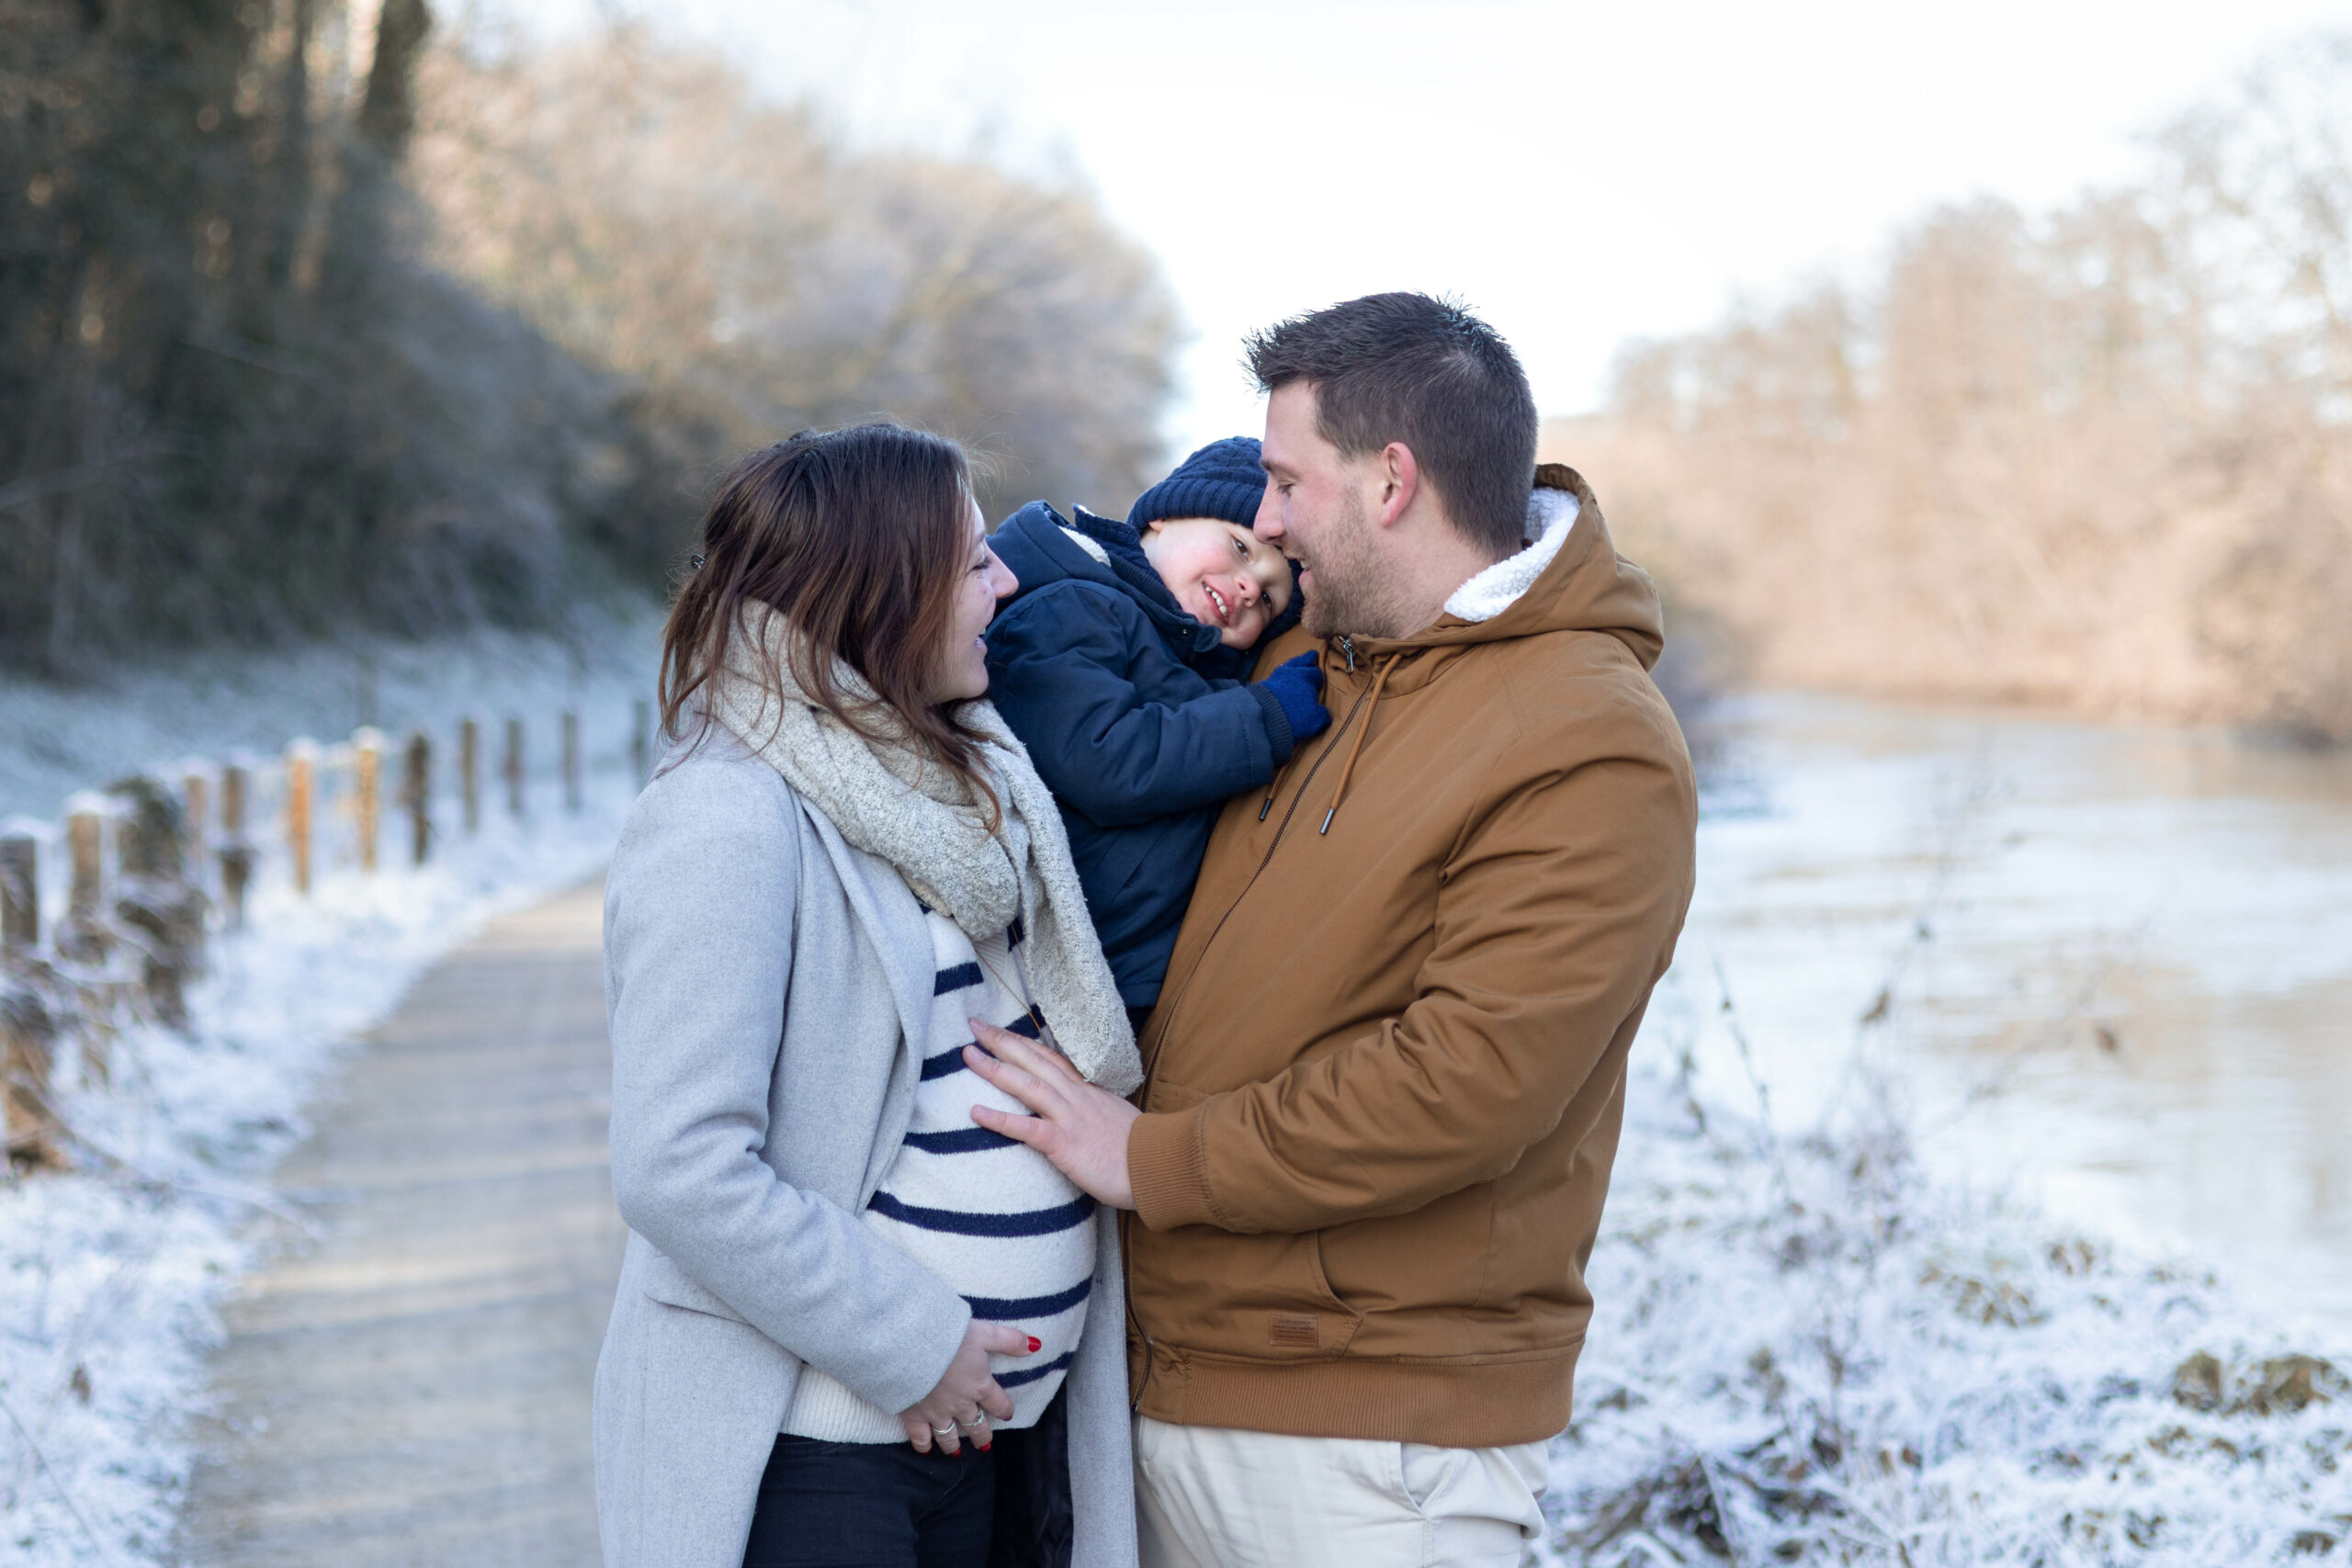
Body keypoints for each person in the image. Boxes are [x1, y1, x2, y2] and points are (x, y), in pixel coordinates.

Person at [957, 294, 1701, 1567]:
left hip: (1367, 1446)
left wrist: (1153, 1160)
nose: (1265, 516)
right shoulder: (1308, 646)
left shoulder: (1594, 739)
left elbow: (1466, 1084)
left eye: (1291, 480)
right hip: (1151, 1385)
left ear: (1392, 481)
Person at [593, 423, 1144, 1568]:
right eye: (975, 560)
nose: (1004, 584)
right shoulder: (729, 811)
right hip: (820, 1455)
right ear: (879, 589)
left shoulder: (979, 786)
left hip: (993, 1446)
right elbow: (679, 1164)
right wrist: (911, 1343)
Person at [983, 436, 1329, 1029]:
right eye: (1241, 548)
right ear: (1163, 517)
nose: (1250, 588)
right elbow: (1104, 758)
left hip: (1121, 975)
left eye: (1272, 599)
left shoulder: (1185, 656)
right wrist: (1261, 716)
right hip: (1044, 966)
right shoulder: (1072, 606)